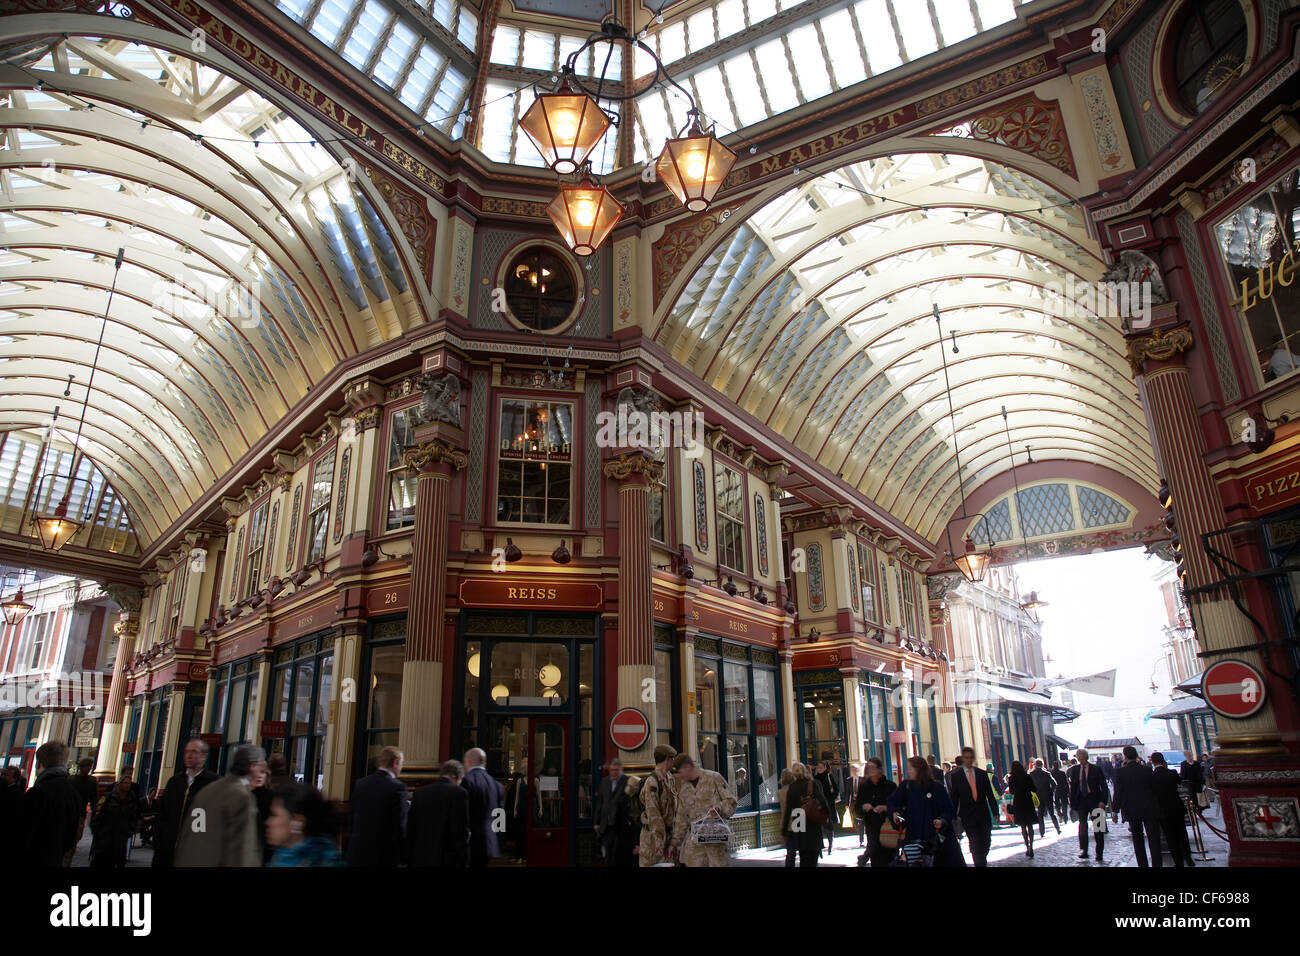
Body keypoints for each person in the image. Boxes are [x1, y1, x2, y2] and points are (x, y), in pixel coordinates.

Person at [175, 744, 264, 867]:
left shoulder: (207, 791)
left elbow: (192, 834)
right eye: (261, 767)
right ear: (252, 767)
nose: (262, 773)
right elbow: (242, 849)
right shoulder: (241, 797)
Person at [153, 738, 218, 867]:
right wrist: (159, 842)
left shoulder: (213, 784)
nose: (189, 755)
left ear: (203, 757)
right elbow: (163, 814)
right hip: (167, 849)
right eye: (187, 752)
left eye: (194, 752)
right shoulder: (174, 782)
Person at [886, 756, 962, 866]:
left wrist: (942, 820)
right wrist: (894, 812)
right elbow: (892, 801)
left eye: (910, 768)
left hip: (935, 839)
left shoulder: (937, 787)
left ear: (919, 770)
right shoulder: (906, 786)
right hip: (914, 836)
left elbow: (949, 810)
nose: (908, 772)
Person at [669, 753, 737, 867]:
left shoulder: (714, 778)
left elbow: (731, 802)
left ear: (688, 767)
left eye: (680, 772)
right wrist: (674, 843)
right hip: (695, 849)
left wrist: (719, 808)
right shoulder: (684, 789)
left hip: (716, 846)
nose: (679, 777)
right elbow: (681, 819)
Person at [21, 740, 82, 867]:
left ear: (39, 764)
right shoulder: (73, 792)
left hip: (32, 860)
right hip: (55, 858)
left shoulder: (38, 792)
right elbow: (72, 835)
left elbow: (23, 832)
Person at [346, 745, 407, 867]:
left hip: (358, 851)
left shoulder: (361, 783)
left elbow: (352, 817)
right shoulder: (397, 787)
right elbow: (399, 826)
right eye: (401, 763)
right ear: (395, 763)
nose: (402, 767)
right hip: (383, 854)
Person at [406, 760, 470, 868]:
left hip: (420, 858)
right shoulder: (459, 793)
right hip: (447, 859)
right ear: (458, 776)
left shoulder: (420, 793)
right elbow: (460, 832)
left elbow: (411, 829)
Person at [266, 784, 344, 867]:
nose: (268, 822)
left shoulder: (320, 861)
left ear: (298, 822)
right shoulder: (283, 857)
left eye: (274, 815)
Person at [1112, 744, 1163, 868]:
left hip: (1131, 809)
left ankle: (1142, 864)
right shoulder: (1147, 770)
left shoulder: (1120, 772)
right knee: (1154, 840)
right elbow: (1155, 789)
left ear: (1125, 756)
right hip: (1149, 808)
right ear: (1136, 756)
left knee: (1138, 840)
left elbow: (1118, 793)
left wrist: (1115, 811)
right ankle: (1157, 864)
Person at [948, 746, 998, 867]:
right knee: (974, 841)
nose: (969, 760)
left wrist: (995, 812)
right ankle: (979, 862)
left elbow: (989, 794)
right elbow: (954, 797)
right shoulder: (956, 776)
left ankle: (981, 858)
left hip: (983, 814)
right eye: (966, 758)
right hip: (968, 815)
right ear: (963, 759)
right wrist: (952, 815)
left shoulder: (982, 774)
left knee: (986, 841)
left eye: (971, 757)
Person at [780, 762, 832, 867]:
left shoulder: (792, 788)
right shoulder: (812, 784)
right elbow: (823, 802)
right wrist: (827, 817)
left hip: (798, 823)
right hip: (812, 823)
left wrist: (784, 831)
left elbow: (788, 811)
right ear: (805, 771)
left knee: (803, 857)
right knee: (812, 857)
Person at [635, 744, 678, 867]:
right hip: (652, 841)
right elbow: (654, 815)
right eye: (672, 758)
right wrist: (660, 842)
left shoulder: (670, 778)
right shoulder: (652, 782)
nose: (674, 761)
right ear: (666, 759)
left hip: (668, 838)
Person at [462, 747, 504, 868]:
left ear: (468, 761)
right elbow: (500, 815)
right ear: (484, 763)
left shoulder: (467, 782)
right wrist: (499, 839)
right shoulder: (497, 785)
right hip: (490, 842)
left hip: (472, 842)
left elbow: (463, 813)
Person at [853, 756, 898, 868]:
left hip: (888, 827)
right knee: (875, 854)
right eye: (868, 768)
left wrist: (886, 808)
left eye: (873, 767)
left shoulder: (890, 786)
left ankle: (863, 860)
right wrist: (864, 807)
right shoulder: (864, 787)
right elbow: (857, 808)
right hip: (872, 826)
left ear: (880, 769)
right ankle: (863, 860)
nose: (870, 770)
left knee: (889, 856)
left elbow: (898, 805)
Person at [1150, 753, 1193, 868]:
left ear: (1153, 762)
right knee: (1182, 834)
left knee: (1171, 837)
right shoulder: (1172, 773)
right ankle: (1188, 858)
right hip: (1176, 807)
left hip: (1163, 810)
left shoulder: (1152, 777)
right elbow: (1179, 781)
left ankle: (1178, 862)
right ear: (1163, 761)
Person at [89, 773, 139, 868]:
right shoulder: (108, 797)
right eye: (125, 783)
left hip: (120, 840)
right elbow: (96, 815)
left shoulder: (131, 799)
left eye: (129, 783)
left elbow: (133, 817)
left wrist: (129, 831)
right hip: (105, 838)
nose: (127, 785)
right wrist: (98, 834)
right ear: (119, 784)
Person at [1068, 748, 1109, 862]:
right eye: (1077, 757)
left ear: (1084, 757)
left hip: (1095, 800)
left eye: (1080, 757)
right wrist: (1072, 803)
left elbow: (1104, 787)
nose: (1078, 759)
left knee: (1098, 827)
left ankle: (1099, 852)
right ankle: (1084, 850)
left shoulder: (1096, 769)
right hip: (1082, 801)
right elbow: (1073, 787)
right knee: (1082, 826)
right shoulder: (1075, 770)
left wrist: (1103, 801)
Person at [593, 757, 631, 865]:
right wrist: (596, 821)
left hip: (620, 824)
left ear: (621, 770)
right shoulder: (605, 781)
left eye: (616, 770)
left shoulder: (627, 781)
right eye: (612, 770)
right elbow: (600, 802)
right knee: (606, 852)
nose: (614, 773)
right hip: (606, 824)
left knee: (618, 853)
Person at [66, 757, 98, 866]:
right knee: (68, 839)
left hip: (80, 814)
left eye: (90, 766)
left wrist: (95, 811)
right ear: (81, 767)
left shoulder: (92, 781)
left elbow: (93, 798)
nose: (88, 769)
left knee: (76, 838)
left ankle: (68, 859)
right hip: (69, 813)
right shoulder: (71, 780)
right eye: (86, 766)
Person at [1006, 761, 1039, 858]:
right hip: (1028, 802)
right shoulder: (1027, 777)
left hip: (1018, 803)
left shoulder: (1012, 778)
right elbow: (1034, 789)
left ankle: (1027, 846)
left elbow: (1011, 791)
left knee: (1023, 827)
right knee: (1030, 826)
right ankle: (1031, 846)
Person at [250, 759, 275, 864]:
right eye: (256, 772)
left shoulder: (272, 797)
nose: (260, 775)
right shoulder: (239, 795)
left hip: (263, 850)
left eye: (263, 772)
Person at [812, 759, 839, 854]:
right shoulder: (815, 778)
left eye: (820, 767)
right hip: (818, 806)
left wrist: (830, 799)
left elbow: (836, 789)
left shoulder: (829, 777)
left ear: (825, 768)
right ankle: (820, 846)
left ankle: (830, 845)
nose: (818, 769)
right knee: (819, 826)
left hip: (828, 805)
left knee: (828, 826)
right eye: (817, 767)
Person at [1029, 758, 1060, 836]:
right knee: (1052, 813)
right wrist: (1051, 791)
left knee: (1040, 815)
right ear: (1042, 765)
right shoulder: (1047, 773)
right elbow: (1054, 784)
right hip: (1047, 795)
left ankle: (1042, 832)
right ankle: (1058, 829)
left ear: (1035, 765)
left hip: (1038, 796)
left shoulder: (1032, 774)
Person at [844, 763, 864, 848]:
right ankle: (860, 833)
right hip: (853, 803)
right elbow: (848, 793)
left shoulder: (863, 779)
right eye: (852, 769)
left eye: (855, 769)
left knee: (862, 821)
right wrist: (846, 804)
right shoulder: (849, 780)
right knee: (855, 822)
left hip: (861, 803)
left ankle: (861, 839)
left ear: (858, 770)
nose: (854, 771)